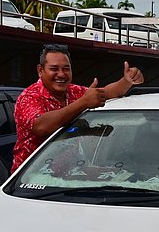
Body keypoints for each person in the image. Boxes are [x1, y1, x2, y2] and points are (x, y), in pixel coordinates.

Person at [11, 44, 144, 173]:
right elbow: (41, 127)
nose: (61, 74)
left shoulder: (74, 91)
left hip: (69, 177)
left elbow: (106, 93)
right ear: (40, 70)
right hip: (30, 180)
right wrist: (83, 103)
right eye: (54, 69)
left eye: (66, 69)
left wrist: (127, 81)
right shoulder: (29, 97)